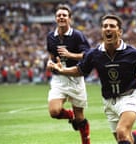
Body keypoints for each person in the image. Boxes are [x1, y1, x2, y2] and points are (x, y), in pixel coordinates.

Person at [48, 14, 136, 144]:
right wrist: (63, 70)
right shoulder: (94, 54)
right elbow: (80, 70)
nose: (108, 28)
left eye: (112, 26)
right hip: (108, 102)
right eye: (105, 26)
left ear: (120, 32)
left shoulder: (133, 53)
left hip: (129, 98)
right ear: (102, 31)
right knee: (126, 139)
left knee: (122, 132)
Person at [46, 4, 90, 144]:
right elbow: (51, 54)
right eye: (59, 15)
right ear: (55, 18)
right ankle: (70, 115)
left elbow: (87, 55)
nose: (61, 17)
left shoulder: (77, 35)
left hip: (75, 78)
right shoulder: (50, 36)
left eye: (64, 15)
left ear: (70, 18)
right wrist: (50, 63)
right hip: (59, 79)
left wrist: (70, 54)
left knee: (80, 119)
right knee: (54, 112)